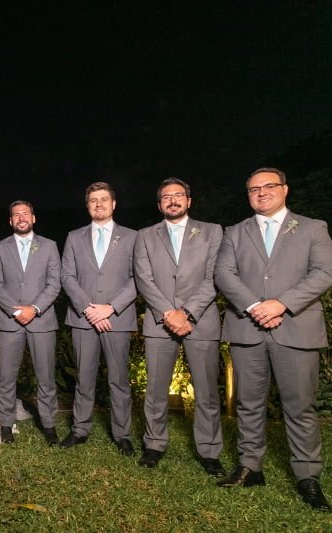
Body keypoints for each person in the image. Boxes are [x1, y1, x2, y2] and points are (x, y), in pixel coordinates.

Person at [215, 168, 332, 511]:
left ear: (285, 189)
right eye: (254, 189)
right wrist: (254, 306)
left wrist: (282, 303)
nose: (261, 192)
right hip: (247, 329)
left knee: (300, 406)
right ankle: (250, 467)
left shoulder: (312, 227)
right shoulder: (235, 232)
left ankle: (307, 476)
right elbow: (223, 273)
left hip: (295, 328)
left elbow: (324, 272)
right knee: (248, 403)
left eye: (269, 186)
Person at [133, 178, 224, 473]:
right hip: (160, 322)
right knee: (155, 389)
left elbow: (214, 277)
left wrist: (187, 313)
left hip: (201, 321)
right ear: (159, 204)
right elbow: (143, 279)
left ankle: (209, 451)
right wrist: (167, 313)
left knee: (207, 391)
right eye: (166, 197)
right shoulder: (145, 236)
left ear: (189, 200)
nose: (172, 200)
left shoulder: (212, 231)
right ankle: (154, 444)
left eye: (178, 195)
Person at [61, 182, 137, 454]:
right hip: (83, 319)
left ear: (113, 204)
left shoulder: (132, 237)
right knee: (84, 377)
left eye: (104, 199)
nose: (99, 204)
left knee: (119, 379)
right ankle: (80, 429)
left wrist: (111, 308)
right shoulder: (74, 237)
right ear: (87, 206)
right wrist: (88, 308)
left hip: (117, 318)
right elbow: (67, 276)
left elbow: (137, 278)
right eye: (93, 200)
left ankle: (122, 434)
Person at [0, 200, 61, 445]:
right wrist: (17, 311)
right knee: (6, 376)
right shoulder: (0, 247)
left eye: (25, 214)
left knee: (46, 376)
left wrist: (35, 308)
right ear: (11, 221)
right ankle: (6, 424)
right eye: (16, 215)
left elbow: (54, 283)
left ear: (33, 218)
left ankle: (49, 424)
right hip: (10, 321)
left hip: (42, 320)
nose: (21, 218)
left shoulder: (49, 246)